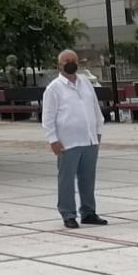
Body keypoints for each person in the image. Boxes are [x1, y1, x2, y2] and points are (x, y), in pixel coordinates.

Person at [41, 50, 108, 229]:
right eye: (66, 61)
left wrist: (98, 131)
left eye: (73, 60)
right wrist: (53, 140)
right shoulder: (53, 88)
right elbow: (48, 118)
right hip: (67, 142)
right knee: (66, 180)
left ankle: (88, 212)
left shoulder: (85, 83)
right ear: (59, 65)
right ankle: (68, 214)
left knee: (88, 178)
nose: (70, 63)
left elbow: (95, 108)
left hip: (89, 140)